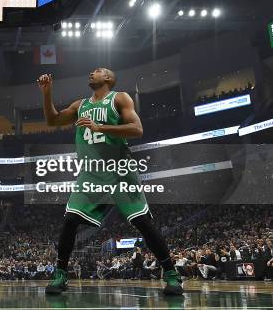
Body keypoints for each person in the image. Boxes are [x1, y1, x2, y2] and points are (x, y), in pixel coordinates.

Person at [37, 69, 183, 296]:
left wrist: (100, 127)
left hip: (119, 170)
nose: (92, 73)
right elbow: (52, 120)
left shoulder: (120, 98)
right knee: (69, 221)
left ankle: (172, 274)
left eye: (98, 71)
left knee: (143, 222)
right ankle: (60, 274)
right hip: (91, 174)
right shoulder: (80, 105)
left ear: (108, 79)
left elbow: (137, 129)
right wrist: (47, 93)